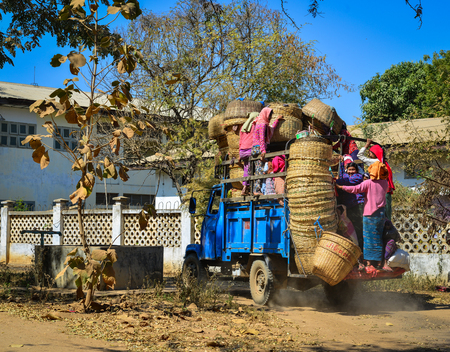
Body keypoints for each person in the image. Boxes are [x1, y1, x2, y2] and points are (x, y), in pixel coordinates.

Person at [335, 161, 389, 269]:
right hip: (381, 214)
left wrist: (341, 187)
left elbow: (355, 189)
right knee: (378, 237)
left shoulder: (368, 183)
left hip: (370, 214)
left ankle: (369, 262)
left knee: (368, 237)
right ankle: (379, 261)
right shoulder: (385, 183)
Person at [357, 139, 395, 220]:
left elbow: (359, 155)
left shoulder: (374, 162)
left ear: (375, 153)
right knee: (386, 212)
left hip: (379, 191)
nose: (369, 154)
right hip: (386, 190)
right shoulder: (384, 162)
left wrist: (367, 144)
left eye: (370, 152)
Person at [251, 107, 282, 195]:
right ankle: (256, 190)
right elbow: (261, 138)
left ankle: (258, 189)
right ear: (266, 114)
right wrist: (263, 150)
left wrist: (277, 120)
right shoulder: (262, 124)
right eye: (270, 116)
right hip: (258, 148)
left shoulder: (260, 122)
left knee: (260, 169)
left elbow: (271, 128)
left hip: (257, 147)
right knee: (259, 169)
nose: (270, 118)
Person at [336, 160, 365, 251]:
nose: (351, 172)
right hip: (349, 206)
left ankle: (360, 248)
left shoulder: (358, 177)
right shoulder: (345, 176)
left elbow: (345, 181)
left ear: (356, 170)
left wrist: (335, 182)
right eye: (349, 170)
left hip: (357, 205)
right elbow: (341, 175)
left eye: (353, 170)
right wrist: (341, 163)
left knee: (358, 227)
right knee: (351, 228)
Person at [239, 112, 259, 195]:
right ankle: (257, 189)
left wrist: (239, 154)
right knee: (258, 165)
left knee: (247, 167)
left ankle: (245, 188)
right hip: (250, 150)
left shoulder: (243, 127)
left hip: (242, 152)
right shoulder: (255, 125)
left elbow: (240, 141)